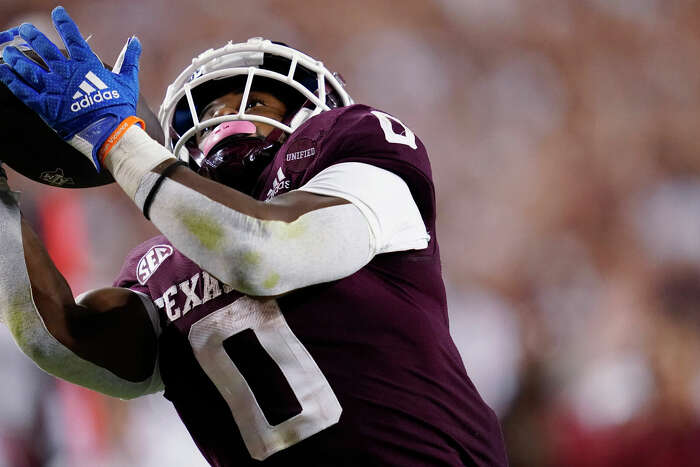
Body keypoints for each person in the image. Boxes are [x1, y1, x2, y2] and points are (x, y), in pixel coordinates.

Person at [0, 6, 508, 466]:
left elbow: (263, 252)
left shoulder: (363, 149)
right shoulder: (161, 266)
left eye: (255, 99)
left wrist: (115, 139)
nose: (225, 117)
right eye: (212, 110)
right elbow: (57, 337)